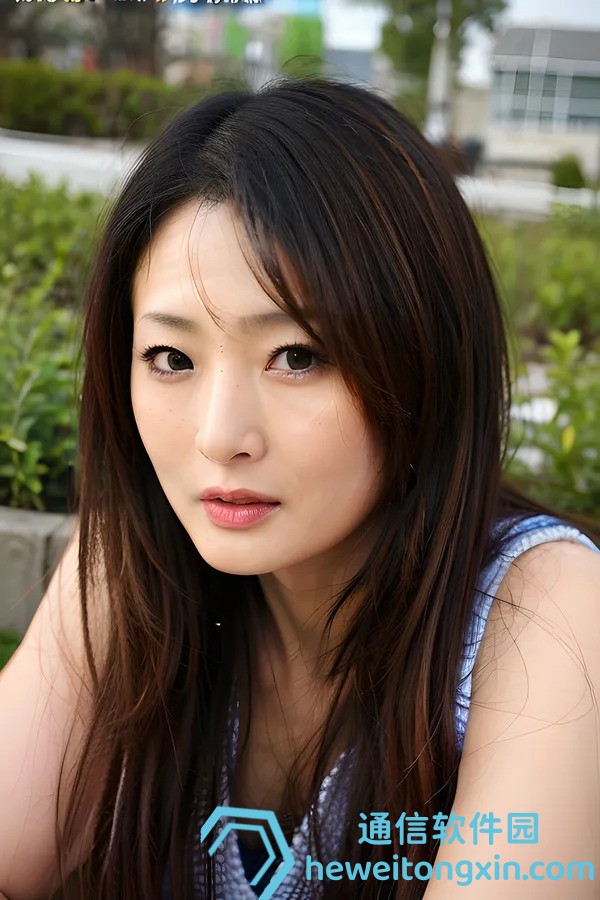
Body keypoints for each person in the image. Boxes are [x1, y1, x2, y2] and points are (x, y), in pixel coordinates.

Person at [0, 75, 599, 900]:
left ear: (424, 361)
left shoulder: (545, 611)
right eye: (171, 358)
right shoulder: (137, 564)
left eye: (298, 356)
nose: (220, 437)